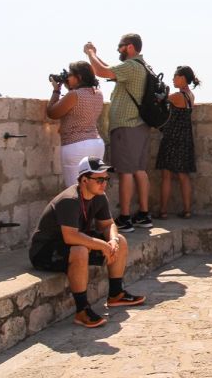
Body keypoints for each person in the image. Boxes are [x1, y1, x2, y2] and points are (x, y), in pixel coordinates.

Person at [29, 157, 146, 328]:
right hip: (45, 252)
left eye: (106, 179)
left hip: (71, 245)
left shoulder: (99, 196)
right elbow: (70, 236)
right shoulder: (69, 200)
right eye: (99, 179)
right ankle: (82, 310)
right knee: (80, 250)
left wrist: (112, 240)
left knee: (120, 240)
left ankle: (116, 294)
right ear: (84, 180)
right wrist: (102, 245)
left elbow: (108, 224)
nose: (104, 183)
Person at [84, 33, 153, 232]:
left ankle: (125, 217)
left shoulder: (131, 66)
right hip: (140, 125)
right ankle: (144, 214)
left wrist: (90, 52)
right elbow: (109, 70)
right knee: (139, 170)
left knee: (125, 172)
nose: (118, 50)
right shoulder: (141, 66)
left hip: (126, 125)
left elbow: (101, 71)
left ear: (130, 47)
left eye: (120, 46)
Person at [46, 62, 106, 187]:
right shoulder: (98, 93)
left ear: (79, 76)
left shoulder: (74, 95)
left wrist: (56, 91)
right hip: (96, 143)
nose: (67, 78)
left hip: (76, 145)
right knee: (94, 188)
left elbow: (52, 112)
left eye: (70, 75)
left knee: (75, 189)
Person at [156, 66, 200, 219]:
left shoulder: (177, 96)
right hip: (185, 137)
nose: (173, 79)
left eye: (175, 76)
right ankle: (187, 210)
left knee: (166, 175)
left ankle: (163, 211)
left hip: (172, 137)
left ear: (182, 78)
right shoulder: (190, 95)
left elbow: (159, 100)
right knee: (183, 175)